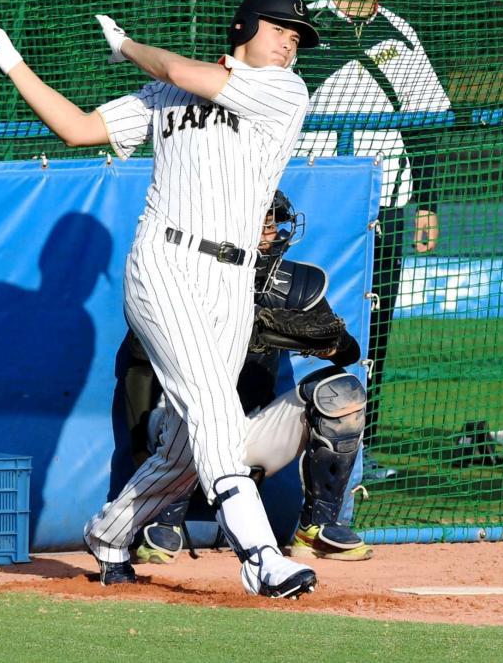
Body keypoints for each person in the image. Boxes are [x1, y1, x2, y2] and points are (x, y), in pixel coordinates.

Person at [0, 0, 323, 599]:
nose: (292, 41)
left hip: (234, 280)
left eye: (298, 36)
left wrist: (126, 47)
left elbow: (183, 71)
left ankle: (110, 532)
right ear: (242, 24)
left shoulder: (284, 90)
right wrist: (12, 63)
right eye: (281, 29)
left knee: (192, 447)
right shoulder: (167, 94)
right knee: (216, 407)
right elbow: (78, 129)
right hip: (165, 263)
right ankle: (260, 554)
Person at [124, 190, 371, 565]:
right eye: (258, 223)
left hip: (249, 430)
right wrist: (140, 449)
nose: (267, 233)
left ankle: (316, 527)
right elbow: (139, 370)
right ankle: (163, 521)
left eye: (272, 223)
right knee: (195, 403)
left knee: (343, 391)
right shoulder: (177, 282)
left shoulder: (294, 284)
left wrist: (323, 340)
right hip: (181, 430)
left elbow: (348, 353)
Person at [294, 0, 451, 479]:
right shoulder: (299, 26)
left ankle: (362, 445)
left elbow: (428, 123)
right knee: (299, 321)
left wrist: (427, 201)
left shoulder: (402, 34)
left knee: (373, 325)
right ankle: (291, 437)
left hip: (385, 206)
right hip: (308, 203)